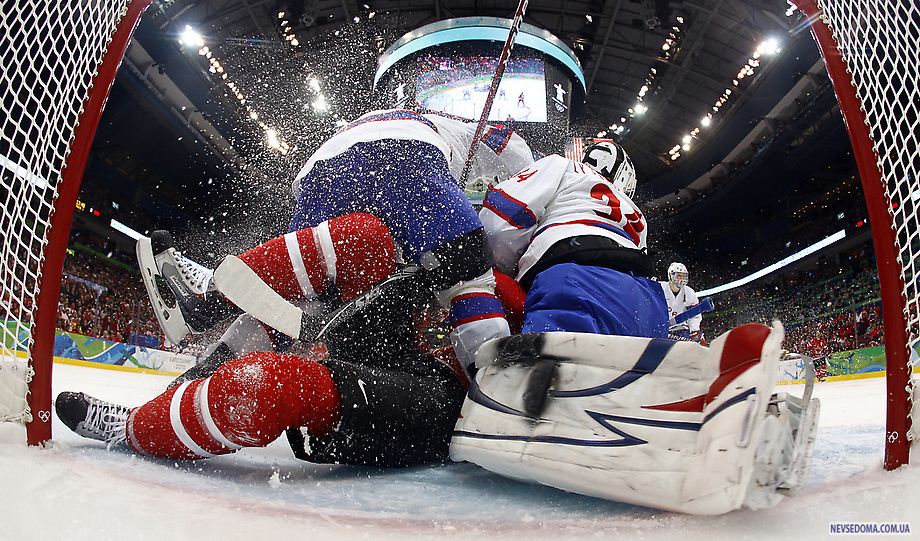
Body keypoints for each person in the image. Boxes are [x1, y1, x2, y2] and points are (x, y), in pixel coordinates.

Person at [57, 212, 523, 467]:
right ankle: (207, 303)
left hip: (440, 404)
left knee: (265, 386)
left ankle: (137, 426)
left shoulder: (552, 280)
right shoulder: (510, 263)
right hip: (408, 351)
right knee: (365, 236)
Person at [478, 140, 668, 338]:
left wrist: (505, 270)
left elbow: (500, 222)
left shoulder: (563, 165)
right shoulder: (636, 213)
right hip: (646, 302)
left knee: (548, 365)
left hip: (573, 277)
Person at [660, 262, 706, 343]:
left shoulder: (689, 292)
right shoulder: (660, 288)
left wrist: (694, 330)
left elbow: (694, 315)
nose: (681, 279)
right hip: (661, 329)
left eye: (683, 276)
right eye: (679, 276)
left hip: (682, 330)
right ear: (670, 275)